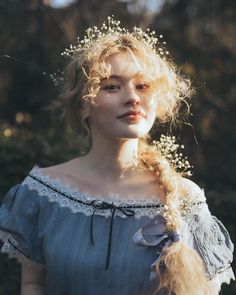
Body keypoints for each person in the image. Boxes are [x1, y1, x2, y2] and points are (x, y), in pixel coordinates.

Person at [0, 17, 234, 295]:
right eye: (111, 86)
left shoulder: (185, 198)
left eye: (143, 86)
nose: (133, 98)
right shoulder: (41, 193)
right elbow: (33, 284)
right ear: (83, 104)